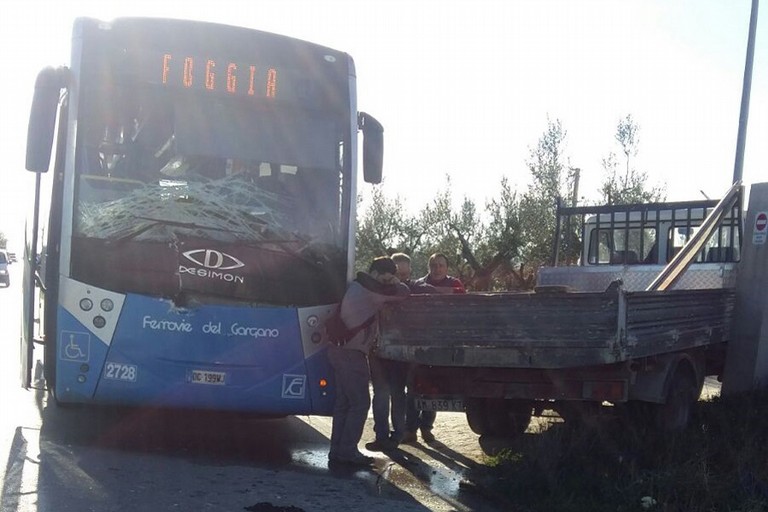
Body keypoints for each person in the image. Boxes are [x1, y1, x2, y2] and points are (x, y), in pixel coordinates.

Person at [327, 256, 409, 465]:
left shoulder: (356, 285)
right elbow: (403, 294)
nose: (386, 283)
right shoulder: (371, 290)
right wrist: (396, 283)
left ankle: (337, 451)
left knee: (343, 404)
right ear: (376, 274)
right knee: (359, 403)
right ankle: (347, 452)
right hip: (352, 355)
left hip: (338, 351)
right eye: (385, 278)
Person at [364, 253, 435, 452]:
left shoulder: (411, 289)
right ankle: (381, 436)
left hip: (399, 352)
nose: (400, 277)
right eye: (397, 273)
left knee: (397, 394)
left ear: (410, 272)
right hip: (378, 350)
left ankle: (397, 435)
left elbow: (426, 290)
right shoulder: (375, 289)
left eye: (404, 274)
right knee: (380, 395)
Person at [404, 252, 466, 443]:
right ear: (428, 267)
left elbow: (461, 298)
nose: (437, 269)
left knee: (433, 388)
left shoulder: (455, 283)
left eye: (441, 265)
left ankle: (426, 428)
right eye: (434, 265)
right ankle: (410, 429)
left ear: (447, 268)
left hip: (444, 344)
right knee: (413, 387)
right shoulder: (417, 284)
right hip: (419, 343)